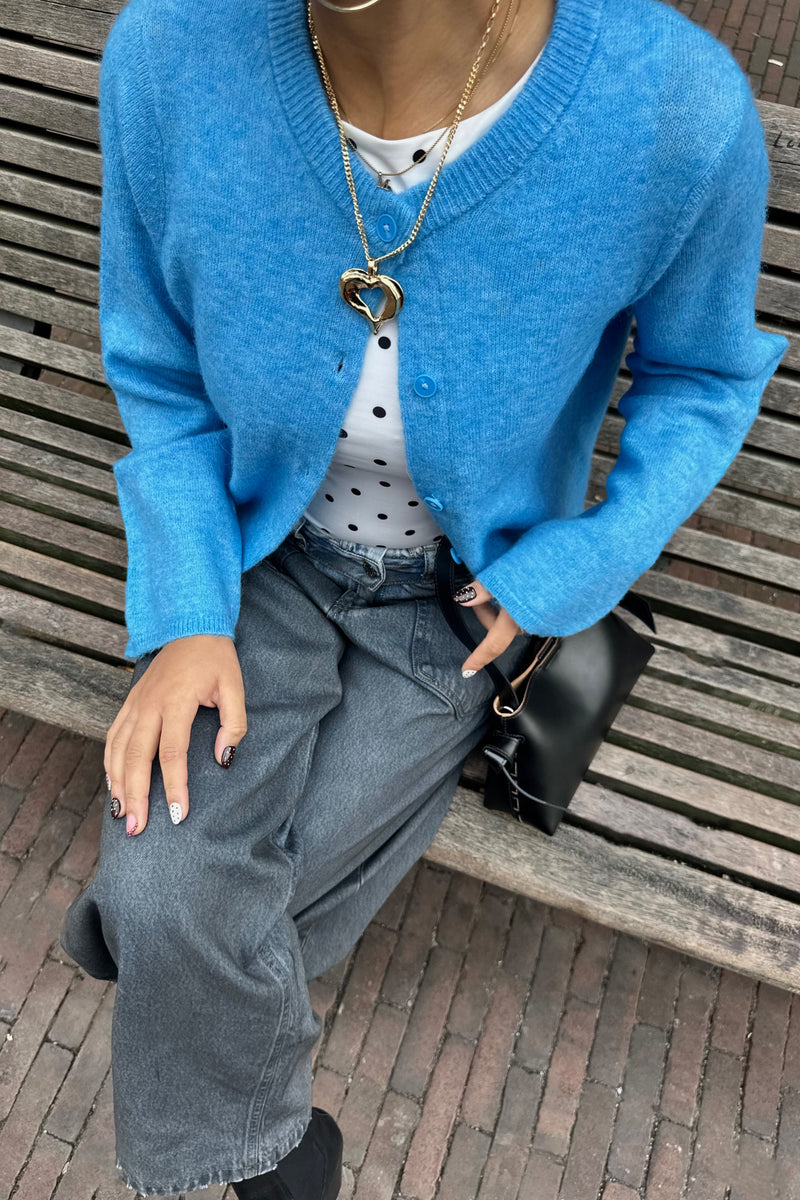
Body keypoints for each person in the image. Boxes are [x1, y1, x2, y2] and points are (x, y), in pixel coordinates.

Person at [58, 0, 788, 1194]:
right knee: (182, 893)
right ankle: (278, 1156)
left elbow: (702, 376)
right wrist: (187, 611)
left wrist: (575, 564)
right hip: (259, 565)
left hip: (457, 611)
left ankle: (144, 942)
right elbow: (158, 365)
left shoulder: (670, 105)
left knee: (174, 899)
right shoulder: (169, 51)